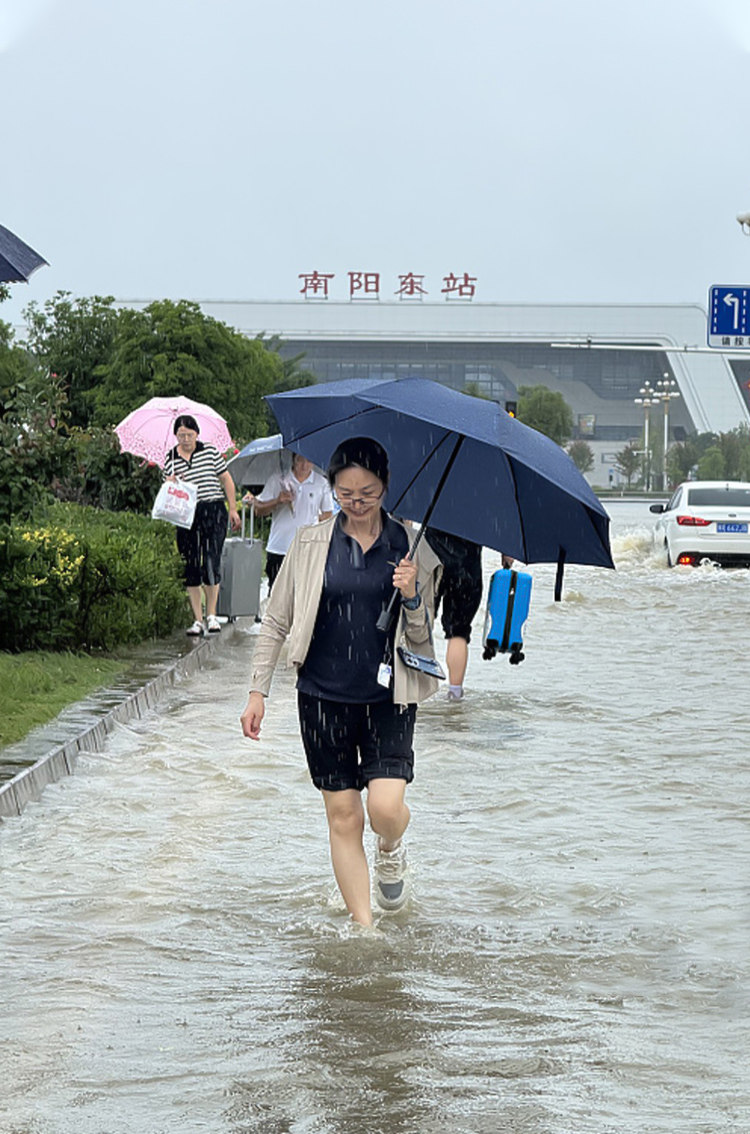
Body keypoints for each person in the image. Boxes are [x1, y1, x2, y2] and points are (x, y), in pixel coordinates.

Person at [239, 437, 442, 928]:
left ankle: (390, 848)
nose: (356, 503)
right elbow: (276, 620)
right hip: (322, 697)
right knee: (345, 816)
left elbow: (422, 636)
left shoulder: (411, 546)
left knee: (385, 810)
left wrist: (412, 597)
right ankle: (364, 930)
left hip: (388, 699)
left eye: (367, 493)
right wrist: (257, 691)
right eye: (346, 493)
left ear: (385, 487)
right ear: (332, 487)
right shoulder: (310, 543)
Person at [164, 414, 240, 636]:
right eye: (181, 435)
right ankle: (197, 618)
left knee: (210, 560)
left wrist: (232, 508)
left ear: (197, 434)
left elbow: (226, 479)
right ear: (176, 436)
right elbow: (168, 492)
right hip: (186, 513)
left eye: (189, 434)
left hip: (212, 509)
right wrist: (170, 482)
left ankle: (212, 614)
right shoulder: (171, 459)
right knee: (190, 563)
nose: (186, 439)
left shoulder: (210, 452)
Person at [424, 528, 513, 701]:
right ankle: (455, 694)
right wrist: (506, 550)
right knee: (458, 632)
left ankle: (415, 687)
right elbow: (501, 521)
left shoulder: (434, 507)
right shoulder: (481, 509)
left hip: (431, 558)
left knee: (420, 622)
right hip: (467, 565)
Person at [243, 452, 333, 593]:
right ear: (293, 460)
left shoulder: (321, 483)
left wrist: (314, 523)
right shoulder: (277, 480)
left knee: (304, 593)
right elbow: (259, 511)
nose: (304, 465)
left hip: (307, 548)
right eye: (300, 460)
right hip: (279, 547)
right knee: (276, 593)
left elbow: (328, 515)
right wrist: (277, 501)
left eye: (309, 461)